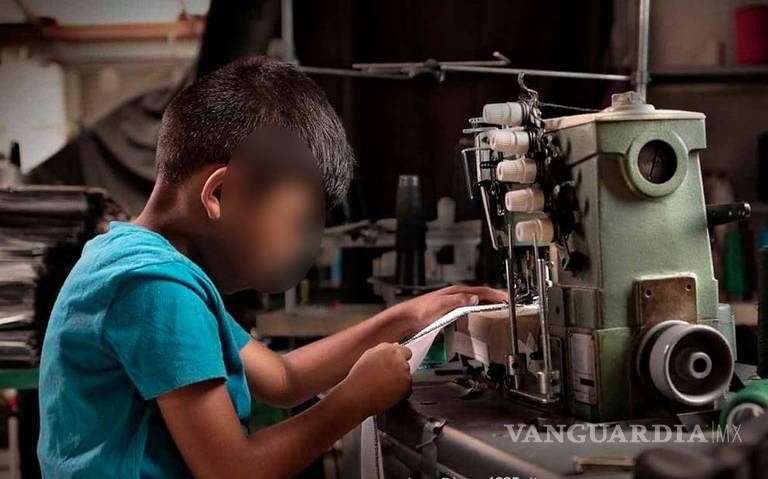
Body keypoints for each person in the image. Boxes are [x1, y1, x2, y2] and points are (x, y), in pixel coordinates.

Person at [37, 56, 504, 478]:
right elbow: (232, 471)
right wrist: (355, 399)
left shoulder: (137, 262)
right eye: (295, 222)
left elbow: (282, 380)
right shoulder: (153, 287)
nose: (298, 245)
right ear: (221, 193)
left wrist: (408, 316)